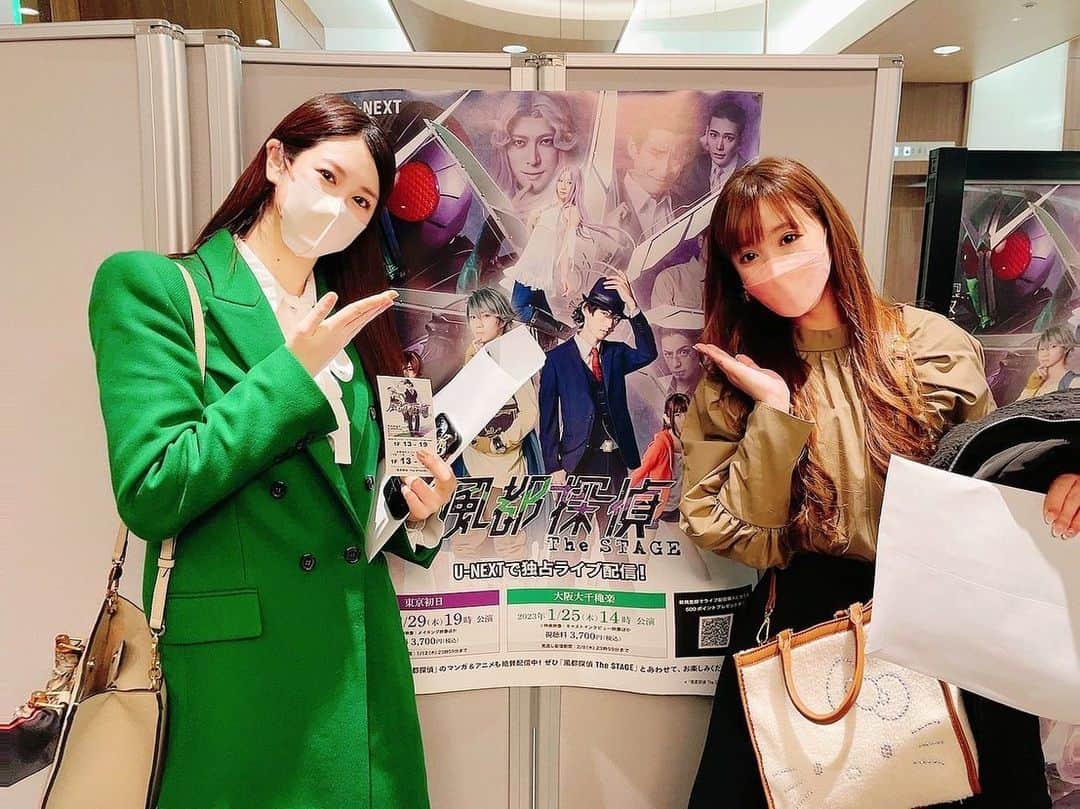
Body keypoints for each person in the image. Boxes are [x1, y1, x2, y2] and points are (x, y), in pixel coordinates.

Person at [88, 94, 458, 809]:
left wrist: (414, 510)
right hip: (241, 676)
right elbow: (153, 486)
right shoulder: (156, 288)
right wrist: (293, 371)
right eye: (328, 177)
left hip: (358, 655)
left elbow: (338, 501)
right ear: (278, 162)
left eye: (361, 201)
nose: (340, 209)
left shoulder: (350, 320)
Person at [679, 157, 1072, 807]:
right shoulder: (733, 381)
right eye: (749, 254)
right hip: (807, 622)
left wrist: (1063, 479)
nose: (774, 265)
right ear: (735, 274)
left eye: (788, 237)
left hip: (943, 616)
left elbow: (996, 479)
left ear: (828, 230)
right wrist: (775, 412)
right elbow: (738, 534)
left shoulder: (931, 345)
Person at [539, 275, 658, 495]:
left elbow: (648, 353)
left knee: (615, 517)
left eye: (616, 318)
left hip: (616, 459)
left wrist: (633, 307)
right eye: (605, 315)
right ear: (586, 310)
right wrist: (553, 466)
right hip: (576, 461)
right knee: (577, 518)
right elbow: (548, 420)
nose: (610, 324)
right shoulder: (556, 360)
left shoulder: (616, 353)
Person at [451, 287, 542, 560]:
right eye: (473, 317)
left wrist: (500, 443)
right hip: (473, 461)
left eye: (486, 316)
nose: (478, 324)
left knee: (509, 542)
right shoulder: (474, 351)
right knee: (465, 542)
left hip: (506, 464)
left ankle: (517, 587)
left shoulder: (513, 352)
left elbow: (528, 412)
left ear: (501, 319)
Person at [605, 112, 698, 247]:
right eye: (656, 153)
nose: (664, 170)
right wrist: (609, 242)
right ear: (633, 148)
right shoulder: (603, 203)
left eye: (677, 157)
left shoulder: (688, 204)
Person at [629, 392, 690, 522]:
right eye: (677, 415)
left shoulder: (692, 441)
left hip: (678, 506)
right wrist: (624, 494)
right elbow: (642, 469)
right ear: (667, 418)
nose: (684, 419)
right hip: (657, 505)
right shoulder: (660, 444)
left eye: (687, 413)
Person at [684, 99, 749, 197]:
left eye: (728, 138)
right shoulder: (696, 166)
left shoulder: (748, 173)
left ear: (740, 140)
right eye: (714, 135)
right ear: (707, 132)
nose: (719, 146)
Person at [1016, 325, 1079, 400]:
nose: (1045, 354)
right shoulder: (1036, 381)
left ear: (1066, 349)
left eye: (1053, 347)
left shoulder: (1074, 383)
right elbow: (1018, 406)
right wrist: (1030, 388)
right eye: (1042, 349)